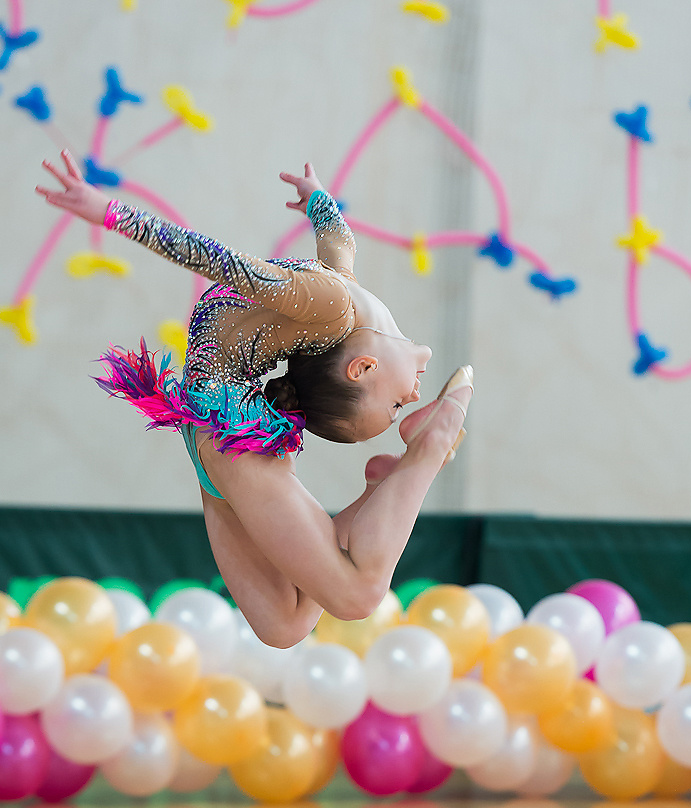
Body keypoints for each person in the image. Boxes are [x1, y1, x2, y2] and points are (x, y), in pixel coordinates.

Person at [36, 150, 473, 648]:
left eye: (402, 406)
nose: (415, 392)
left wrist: (318, 202)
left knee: (287, 624)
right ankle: (430, 444)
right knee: (343, 603)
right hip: (225, 428)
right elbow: (223, 263)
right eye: (397, 405)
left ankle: (392, 482)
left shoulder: (341, 289)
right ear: (363, 367)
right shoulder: (330, 305)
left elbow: (338, 238)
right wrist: (112, 214)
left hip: (216, 431)